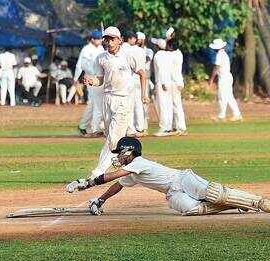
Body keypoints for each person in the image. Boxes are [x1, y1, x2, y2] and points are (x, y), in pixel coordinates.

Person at [66, 137, 270, 216]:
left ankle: (260, 203)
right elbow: (118, 185)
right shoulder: (132, 172)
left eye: (120, 152)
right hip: (171, 191)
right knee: (193, 210)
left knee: (217, 194)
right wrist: (100, 200)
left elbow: (112, 176)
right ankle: (237, 204)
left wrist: (87, 183)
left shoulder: (138, 163)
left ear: (129, 152)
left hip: (182, 179)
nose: (118, 156)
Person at [67, 26, 148, 187]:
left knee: (113, 137)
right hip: (108, 99)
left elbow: (142, 74)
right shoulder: (101, 58)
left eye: (112, 39)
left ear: (119, 40)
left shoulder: (129, 55)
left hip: (124, 99)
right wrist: (92, 81)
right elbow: (100, 80)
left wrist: (143, 94)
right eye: (107, 39)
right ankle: (130, 166)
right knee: (111, 137)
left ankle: (98, 172)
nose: (109, 42)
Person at [72, 30, 105, 136]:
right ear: (92, 39)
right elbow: (79, 65)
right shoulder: (86, 49)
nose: (100, 40)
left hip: (100, 78)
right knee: (94, 103)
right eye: (98, 39)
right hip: (90, 78)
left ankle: (84, 126)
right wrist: (76, 78)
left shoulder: (101, 48)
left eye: (100, 38)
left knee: (95, 103)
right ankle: (92, 128)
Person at [208, 39, 242, 122]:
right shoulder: (224, 54)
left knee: (222, 97)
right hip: (227, 77)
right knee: (229, 97)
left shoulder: (220, 55)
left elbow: (216, 68)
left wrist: (211, 79)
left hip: (224, 78)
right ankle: (237, 114)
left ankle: (221, 116)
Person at [152, 38, 174, 137]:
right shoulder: (168, 55)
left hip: (162, 82)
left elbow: (161, 70)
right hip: (168, 81)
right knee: (168, 104)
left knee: (162, 105)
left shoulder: (158, 55)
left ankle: (164, 128)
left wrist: (163, 82)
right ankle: (168, 127)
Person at [167, 38, 187, 135]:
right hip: (177, 81)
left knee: (176, 105)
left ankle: (181, 127)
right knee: (175, 105)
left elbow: (171, 71)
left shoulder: (172, 55)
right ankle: (176, 126)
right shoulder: (178, 53)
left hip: (175, 82)